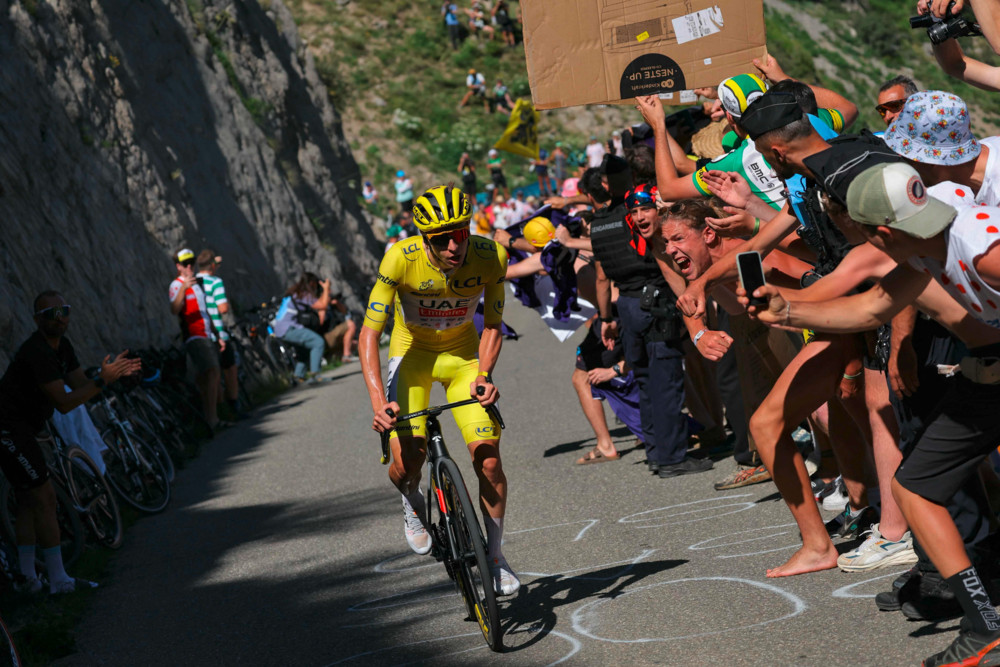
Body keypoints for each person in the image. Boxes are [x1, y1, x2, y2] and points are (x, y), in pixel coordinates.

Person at [745, 162, 1000, 667]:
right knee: (915, 486)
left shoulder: (981, 249)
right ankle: (984, 627)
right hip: (987, 372)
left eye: (863, 236)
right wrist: (787, 311)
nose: (863, 249)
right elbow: (868, 310)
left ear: (883, 231)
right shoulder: (927, 246)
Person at [359, 185, 519, 596]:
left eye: (460, 234)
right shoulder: (400, 259)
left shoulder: (490, 257)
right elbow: (368, 336)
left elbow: (495, 326)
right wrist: (380, 404)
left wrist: (484, 374)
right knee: (408, 457)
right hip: (411, 354)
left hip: (464, 356)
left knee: (488, 462)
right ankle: (412, 499)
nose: (453, 246)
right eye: (441, 239)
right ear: (425, 239)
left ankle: (497, 559)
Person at [0, 291, 140, 594]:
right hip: (8, 428)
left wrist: (112, 373)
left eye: (63, 310)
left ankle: (28, 580)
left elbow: (80, 386)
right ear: (37, 320)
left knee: (27, 500)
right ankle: (60, 581)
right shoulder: (36, 352)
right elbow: (65, 403)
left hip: (23, 427)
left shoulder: (63, 346)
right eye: (50, 313)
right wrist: (103, 380)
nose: (59, 317)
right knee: (45, 497)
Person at [169, 248, 225, 429]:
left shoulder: (198, 284)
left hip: (207, 333)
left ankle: (207, 418)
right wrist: (184, 288)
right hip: (194, 336)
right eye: (185, 264)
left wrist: (218, 334)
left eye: (191, 263)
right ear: (178, 266)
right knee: (213, 371)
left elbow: (205, 311)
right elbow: (174, 309)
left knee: (205, 378)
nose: (189, 267)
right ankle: (212, 419)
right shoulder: (176, 285)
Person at [195, 250, 245, 419]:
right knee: (229, 368)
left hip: (200, 333)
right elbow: (223, 308)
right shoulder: (215, 282)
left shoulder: (194, 281)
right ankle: (234, 404)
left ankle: (219, 410)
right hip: (217, 332)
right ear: (213, 266)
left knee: (211, 373)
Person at [271, 273, 331, 384]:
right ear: (312, 283)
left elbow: (319, 304)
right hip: (288, 328)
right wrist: (326, 289)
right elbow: (323, 305)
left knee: (304, 351)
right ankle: (315, 375)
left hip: (280, 329)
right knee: (318, 342)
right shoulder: (303, 295)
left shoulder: (295, 293)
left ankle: (298, 376)